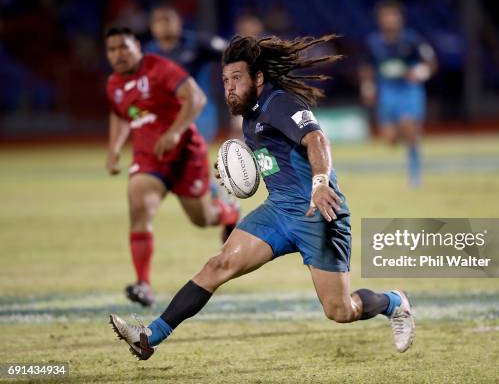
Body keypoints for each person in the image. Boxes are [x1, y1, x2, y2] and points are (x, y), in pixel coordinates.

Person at [109, 35, 415, 360]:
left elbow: (316, 139)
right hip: (278, 211)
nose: (229, 87)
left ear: (257, 78)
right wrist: (233, 171)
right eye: (225, 80)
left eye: (237, 79)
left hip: (317, 212)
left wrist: (321, 183)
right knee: (219, 264)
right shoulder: (249, 116)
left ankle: (395, 302)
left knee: (340, 310)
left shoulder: (279, 103)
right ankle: (149, 336)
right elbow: (276, 158)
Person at [104, 27, 240, 307]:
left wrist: (176, 131)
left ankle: (228, 213)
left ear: (138, 46)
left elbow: (197, 98)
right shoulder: (114, 84)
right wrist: (115, 148)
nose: (118, 54)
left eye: (123, 47)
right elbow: (120, 114)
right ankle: (143, 284)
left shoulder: (160, 68)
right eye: (112, 49)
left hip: (185, 155)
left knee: (202, 218)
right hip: (149, 158)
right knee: (139, 208)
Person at [359, 0, 437, 187]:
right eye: (386, 16)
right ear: (379, 20)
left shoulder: (412, 39)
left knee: (409, 127)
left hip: (409, 90)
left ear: (401, 19)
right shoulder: (372, 42)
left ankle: (415, 175)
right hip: (387, 91)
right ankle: (407, 132)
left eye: (394, 16)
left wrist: (419, 72)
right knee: (390, 139)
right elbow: (366, 67)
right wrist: (367, 87)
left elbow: (431, 62)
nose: (390, 20)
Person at [145, 5, 227, 142]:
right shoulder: (148, 53)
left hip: (198, 112)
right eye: (158, 21)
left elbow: (232, 50)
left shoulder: (198, 43)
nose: (164, 24)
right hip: (165, 114)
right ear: (152, 27)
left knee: (192, 154)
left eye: (167, 19)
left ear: (179, 22)